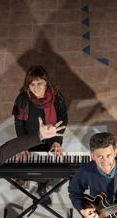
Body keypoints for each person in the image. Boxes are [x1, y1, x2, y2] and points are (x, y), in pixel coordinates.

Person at [12, 65, 68, 202]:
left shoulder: (57, 97)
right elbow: (19, 124)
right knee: (29, 163)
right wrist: (22, 145)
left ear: (46, 82)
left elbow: (63, 120)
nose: (36, 87)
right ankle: (24, 176)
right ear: (28, 85)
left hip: (51, 139)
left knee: (48, 167)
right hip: (30, 139)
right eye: (32, 84)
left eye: (39, 83)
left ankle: (42, 187)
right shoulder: (22, 99)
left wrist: (56, 141)